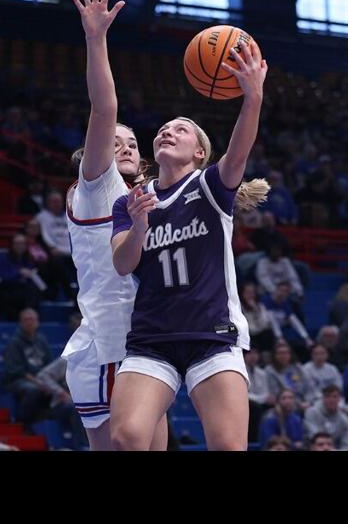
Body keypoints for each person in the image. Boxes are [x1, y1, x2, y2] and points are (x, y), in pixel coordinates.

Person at [107, 31, 270, 451]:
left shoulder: (211, 185)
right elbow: (123, 264)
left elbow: (237, 152)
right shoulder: (131, 202)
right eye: (163, 129)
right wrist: (141, 224)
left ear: (200, 152)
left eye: (180, 130)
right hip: (152, 336)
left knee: (229, 446)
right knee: (126, 437)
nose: (167, 132)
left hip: (211, 334)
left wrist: (252, 97)